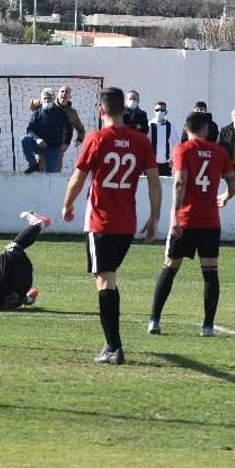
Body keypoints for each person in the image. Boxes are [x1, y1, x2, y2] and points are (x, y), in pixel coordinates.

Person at [62, 87, 162, 365]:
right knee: (107, 277)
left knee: (105, 279)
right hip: (127, 223)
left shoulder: (96, 138)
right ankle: (112, 343)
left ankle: (113, 347)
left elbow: (79, 177)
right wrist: (154, 217)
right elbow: (154, 181)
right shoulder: (141, 141)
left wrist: (68, 204)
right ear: (125, 110)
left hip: (101, 221)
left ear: (101, 110)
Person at [149, 111, 235, 337]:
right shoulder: (220, 152)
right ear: (206, 129)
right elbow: (233, 185)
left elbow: (179, 182)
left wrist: (175, 214)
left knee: (170, 267)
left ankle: (154, 321)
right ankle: (207, 326)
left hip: (186, 220)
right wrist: (225, 197)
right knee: (210, 272)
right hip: (210, 221)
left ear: (187, 129)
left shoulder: (182, 149)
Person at [22, 88, 70, 173]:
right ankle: (33, 165)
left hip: (53, 147)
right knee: (24, 139)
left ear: (53, 99)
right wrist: (37, 139)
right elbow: (30, 130)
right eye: (45, 98)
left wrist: (66, 143)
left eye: (49, 98)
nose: (47, 100)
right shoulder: (37, 113)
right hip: (39, 145)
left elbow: (70, 128)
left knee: (50, 174)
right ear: (42, 99)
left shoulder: (60, 112)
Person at [56, 86, 87, 169]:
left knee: (54, 175)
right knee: (40, 174)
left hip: (59, 148)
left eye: (67, 92)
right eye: (62, 91)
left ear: (70, 97)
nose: (64, 93)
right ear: (58, 94)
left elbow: (81, 130)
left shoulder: (72, 113)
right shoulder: (49, 106)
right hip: (44, 146)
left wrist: (79, 140)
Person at [149, 102, 173, 177]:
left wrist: (173, 160)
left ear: (166, 112)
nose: (159, 112)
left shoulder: (170, 126)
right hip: (152, 163)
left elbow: (175, 144)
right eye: (157, 110)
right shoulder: (149, 125)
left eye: (162, 110)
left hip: (166, 164)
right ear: (154, 111)